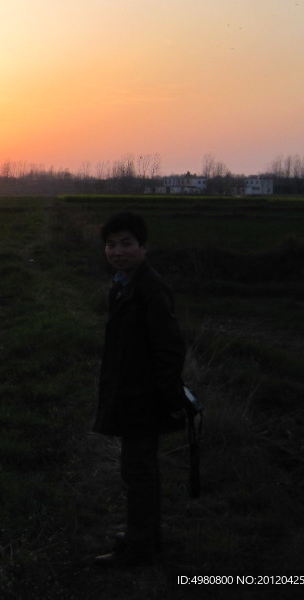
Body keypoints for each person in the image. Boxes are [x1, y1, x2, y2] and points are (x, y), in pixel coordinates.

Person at [93, 211, 186, 568]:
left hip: (145, 397)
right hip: (134, 392)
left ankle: (140, 545)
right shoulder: (125, 283)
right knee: (141, 469)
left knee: (138, 471)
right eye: (111, 245)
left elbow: (170, 346)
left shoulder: (149, 287)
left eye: (126, 244)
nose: (117, 251)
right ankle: (146, 535)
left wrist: (168, 394)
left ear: (144, 247)